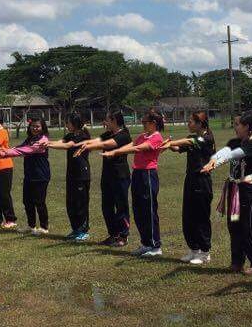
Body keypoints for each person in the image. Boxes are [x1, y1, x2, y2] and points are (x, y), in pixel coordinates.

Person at [202, 114, 252, 274]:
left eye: (238, 124)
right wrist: (213, 161)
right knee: (234, 225)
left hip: (249, 190)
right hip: (234, 189)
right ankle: (237, 261)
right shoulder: (234, 142)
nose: (235, 127)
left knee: (250, 226)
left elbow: (233, 154)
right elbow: (223, 152)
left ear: (247, 127)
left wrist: (217, 162)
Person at [104, 109, 168, 257]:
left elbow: (139, 148)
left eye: (145, 122)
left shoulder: (156, 137)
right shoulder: (142, 136)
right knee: (139, 211)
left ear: (153, 123)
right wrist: (117, 150)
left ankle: (155, 246)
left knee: (149, 211)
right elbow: (132, 144)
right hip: (138, 173)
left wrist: (116, 152)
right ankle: (146, 243)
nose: (143, 124)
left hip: (148, 174)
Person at [74, 111, 132, 247]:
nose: (105, 122)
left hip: (120, 176)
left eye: (107, 120)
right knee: (107, 207)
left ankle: (123, 236)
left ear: (114, 120)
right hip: (107, 176)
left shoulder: (124, 135)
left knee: (121, 206)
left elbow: (107, 145)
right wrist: (83, 143)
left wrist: (88, 146)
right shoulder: (108, 134)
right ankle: (113, 235)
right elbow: (97, 140)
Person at [167, 111, 215, 265]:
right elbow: (178, 148)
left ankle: (205, 252)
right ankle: (194, 249)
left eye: (191, 121)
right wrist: (170, 144)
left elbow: (189, 141)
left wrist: (171, 143)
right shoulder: (192, 138)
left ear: (200, 124)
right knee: (188, 216)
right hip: (190, 180)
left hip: (202, 181)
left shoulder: (206, 138)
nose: (188, 124)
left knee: (201, 217)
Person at [0, 118, 51, 235]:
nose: (35, 128)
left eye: (37, 126)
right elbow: (19, 148)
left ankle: (44, 227)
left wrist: (5, 153)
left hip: (41, 175)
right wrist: (6, 150)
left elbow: (26, 150)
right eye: (33, 126)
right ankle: (31, 226)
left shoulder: (43, 140)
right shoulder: (29, 139)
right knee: (27, 201)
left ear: (43, 128)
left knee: (39, 202)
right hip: (29, 175)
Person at [47, 113, 91, 242]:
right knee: (71, 203)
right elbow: (61, 142)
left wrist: (48, 145)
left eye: (68, 122)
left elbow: (68, 145)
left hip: (81, 174)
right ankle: (76, 229)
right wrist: (47, 142)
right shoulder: (70, 135)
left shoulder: (82, 136)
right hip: (71, 174)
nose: (66, 124)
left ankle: (83, 231)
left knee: (80, 203)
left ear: (75, 123)